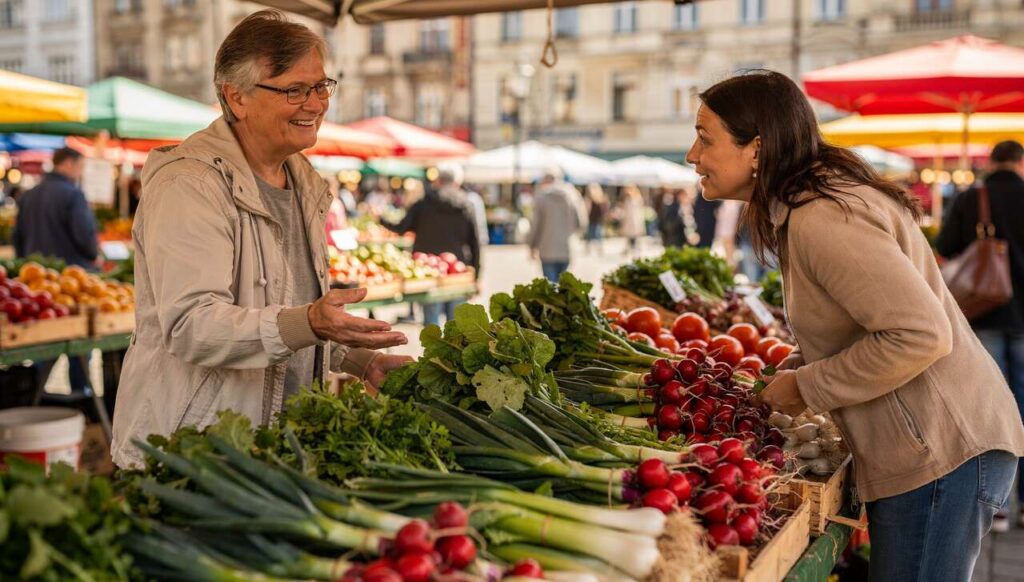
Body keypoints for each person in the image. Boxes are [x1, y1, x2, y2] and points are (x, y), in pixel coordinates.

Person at [686, 70, 1024, 582]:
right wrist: (801, 364)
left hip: (943, 452)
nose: (693, 155)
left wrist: (806, 384)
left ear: (756, 149)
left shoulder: (823, 216)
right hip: (934, 448)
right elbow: (864, 325)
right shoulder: (810, 206)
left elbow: (919, 335)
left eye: (705, 138)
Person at [111, 11, 410, 468]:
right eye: (294, 89)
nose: (316, 103)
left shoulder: (303, 181)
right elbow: (192, 325)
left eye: (321, 86)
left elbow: (278, 311)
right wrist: (310, 321)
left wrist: (357, 360)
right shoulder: (189, 185)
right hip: (192, 451)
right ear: (237, 97)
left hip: (274, 450)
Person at [936, 140, 1024, 532]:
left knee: (991, 408)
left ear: (992, 161)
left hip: (982, 313)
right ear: (1021, 162)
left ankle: (998, 505)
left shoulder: (974, 196)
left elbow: (944, 248)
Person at [382, 164, 480, 326]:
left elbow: (401, 227)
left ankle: (433, 352)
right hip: (458, 272)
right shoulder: (466, 205)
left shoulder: (423, 203)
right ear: (457, 182)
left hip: (427, 271)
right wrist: (476, 274)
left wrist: (382, 219)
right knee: (456, 328)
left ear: (438, 180)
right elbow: (476, 242)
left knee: (431, 328)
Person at [13, 147, 99, 269]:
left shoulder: (28, 194)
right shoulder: (74, 195)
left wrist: (24, 264)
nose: (81, 172)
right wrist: (93, 255)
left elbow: (17, 235)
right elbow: (83, 234)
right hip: (68, 273)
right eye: (81, 166)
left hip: (34, 271)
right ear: (69, 163)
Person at [529, 168, 587, 283]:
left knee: (550, 287)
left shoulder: (542, 196)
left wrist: (532, 245)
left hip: (547, 248)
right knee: (561, 286)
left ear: (546, 179)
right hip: (567, 247)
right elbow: (582, 222)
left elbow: (536, 225)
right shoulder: (573, 195)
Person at [618, 185, 646, 255]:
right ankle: (629, 249)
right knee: (629, 236)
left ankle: (635, 249)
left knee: (635, 236)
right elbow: (625, 211)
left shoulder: (637, 199)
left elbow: (638, 211)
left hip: (635, 221)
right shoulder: (627, 199)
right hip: (629, 221)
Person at [583, 183, 609, 254]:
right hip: (592, 219)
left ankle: (598, 248)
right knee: (591, 234)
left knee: (597, 234)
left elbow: (603, 210)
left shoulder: (600, 198)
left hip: (597, 219)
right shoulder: (589, 199)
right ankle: (589, 248)